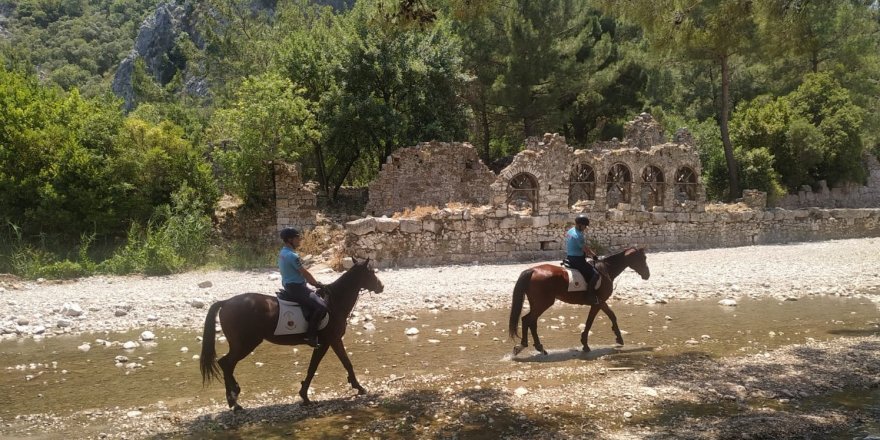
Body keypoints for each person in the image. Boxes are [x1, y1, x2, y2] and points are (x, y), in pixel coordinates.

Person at [278, 227, 327, 347]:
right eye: (297, 238)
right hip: (297, 288)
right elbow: (305, 273)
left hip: (288, 285)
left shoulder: (282, 253)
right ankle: (310, 336)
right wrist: (317, 284)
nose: (299, 240)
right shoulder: (292, 256)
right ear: (290, 240)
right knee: (321, 307)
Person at [565, 214, 600, 299]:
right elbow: (585, 249)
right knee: (595, 274)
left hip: (569, 256)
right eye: (585, 226)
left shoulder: (570, 231)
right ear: (580, 225)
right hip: (577, 259)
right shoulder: (578, 235)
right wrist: (594, 256)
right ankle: (590, 295)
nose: (585, 228)